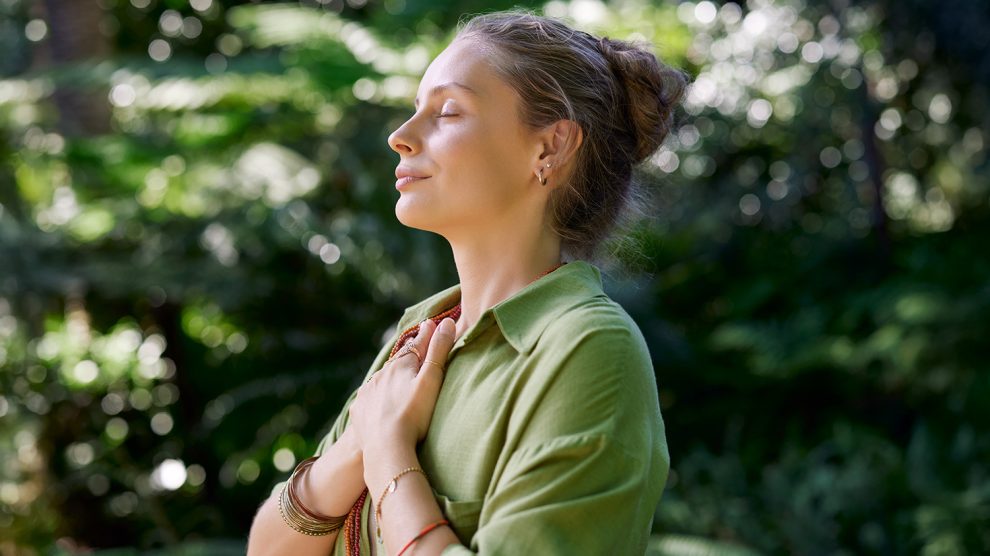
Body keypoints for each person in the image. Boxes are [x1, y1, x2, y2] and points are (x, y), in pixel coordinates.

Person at [247, 8, 689, 556]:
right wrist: (360, 443)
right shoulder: (417, 338)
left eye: (448, 112)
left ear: (549, 148)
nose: (401, 137)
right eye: (415, 110)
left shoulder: (588, 348)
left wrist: (390, 456)